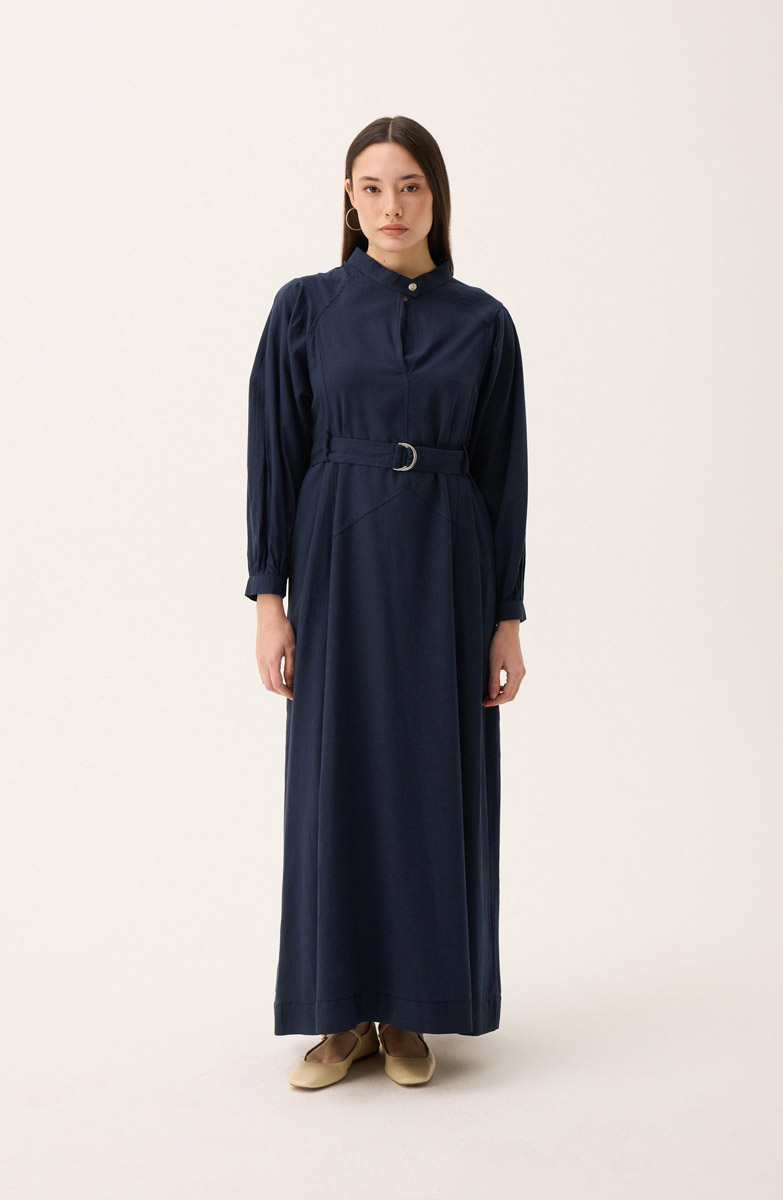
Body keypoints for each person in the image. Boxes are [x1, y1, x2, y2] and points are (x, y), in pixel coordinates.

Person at [245, 115, 528, 1089]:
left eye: (408, 186)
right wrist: (268, 598)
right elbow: (274, 454)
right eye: (371, 188)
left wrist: (506, 616)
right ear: (348, 200)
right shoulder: (305, 309)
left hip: (448, 566)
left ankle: (411, 1012)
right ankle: (337, 1015)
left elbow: (505, 473)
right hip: (338, 559)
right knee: (339, 778)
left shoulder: (482, 322)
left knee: (430, 776)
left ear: (435, 197)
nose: (391, 206)